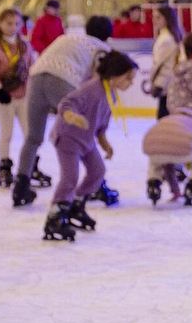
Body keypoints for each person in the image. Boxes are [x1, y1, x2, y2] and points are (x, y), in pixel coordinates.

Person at [11, 15, 112, 207]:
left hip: (36, 76)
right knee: (82, 129)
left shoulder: (66, 37)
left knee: (33, 137)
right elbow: (97, 83)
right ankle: (98, 184)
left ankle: (20, 186)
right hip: (64, 79)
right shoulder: (102, 49)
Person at [41, 50, 137, 241]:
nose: (131, 83)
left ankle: (76, 206)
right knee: (70, 178)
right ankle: (54, 217)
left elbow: (100, 126)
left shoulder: (111, 95)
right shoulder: (92, 88)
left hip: (86, 140)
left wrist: (105, 144)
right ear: (115, 76)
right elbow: (67, 103)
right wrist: (72, 117)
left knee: (97, 171)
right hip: (68, 137)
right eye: (128, 78)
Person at [0, 7, 35, 189]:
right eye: (9, 23)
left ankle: (30, 166)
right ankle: (4, 166)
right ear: (0, 24)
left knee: (30, 133)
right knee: (7, 133)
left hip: (24, 95)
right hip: (4, 96)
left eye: (17, 23)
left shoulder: (25, 45)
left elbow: (32, 67)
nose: (13, 27)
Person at [146, 4, 184, 120]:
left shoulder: (166, 39)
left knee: (163, 118)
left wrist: (155, 83)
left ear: (167, 19)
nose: (154, 20)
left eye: (158, 17)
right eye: (153, 17)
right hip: (170, 83)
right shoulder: (169, 35)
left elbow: (159, 65)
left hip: (165, 83)